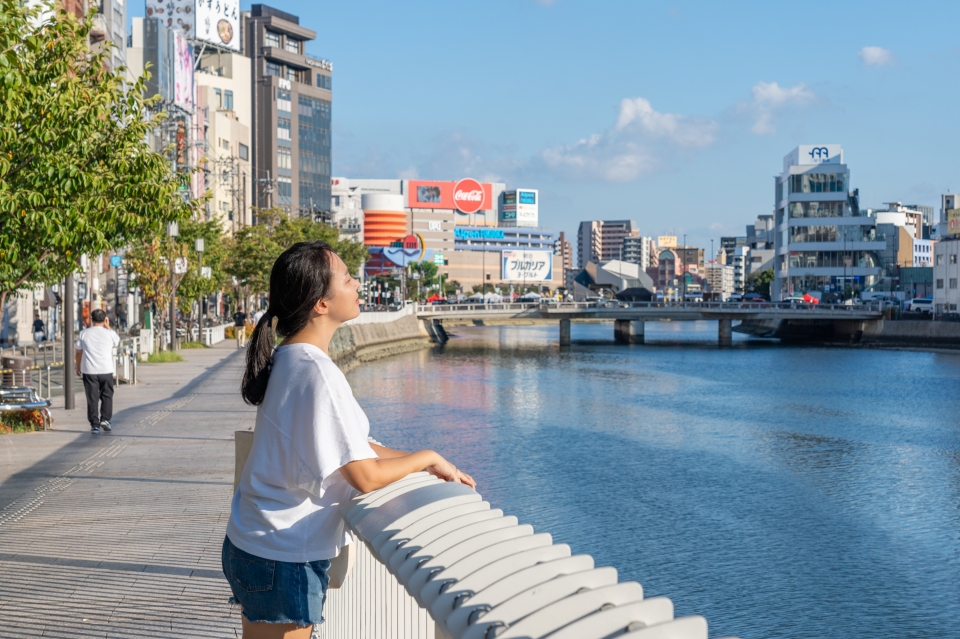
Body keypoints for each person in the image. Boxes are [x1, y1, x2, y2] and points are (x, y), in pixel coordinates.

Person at [224, 241, 475, 638]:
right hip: (283, 551)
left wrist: (420, 461)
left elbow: (351, 446)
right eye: (347, 277)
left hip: (255, 539)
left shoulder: (289, 357)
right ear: (320, 304)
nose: (357, 283)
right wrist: (427, 454)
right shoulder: (318, 373)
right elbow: (364, 476)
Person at [75, 309, 120, 434]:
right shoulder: (110, 333)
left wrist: (77, 367)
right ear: (105, 319)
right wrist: (108, 326)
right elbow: (117, 341)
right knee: (107, 395)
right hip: (106, 369)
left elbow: (78, 353)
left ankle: (94, 425)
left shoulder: (83, 333)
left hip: (89, 370)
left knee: (92, 397)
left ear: (91, 319)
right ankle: (105, 419)